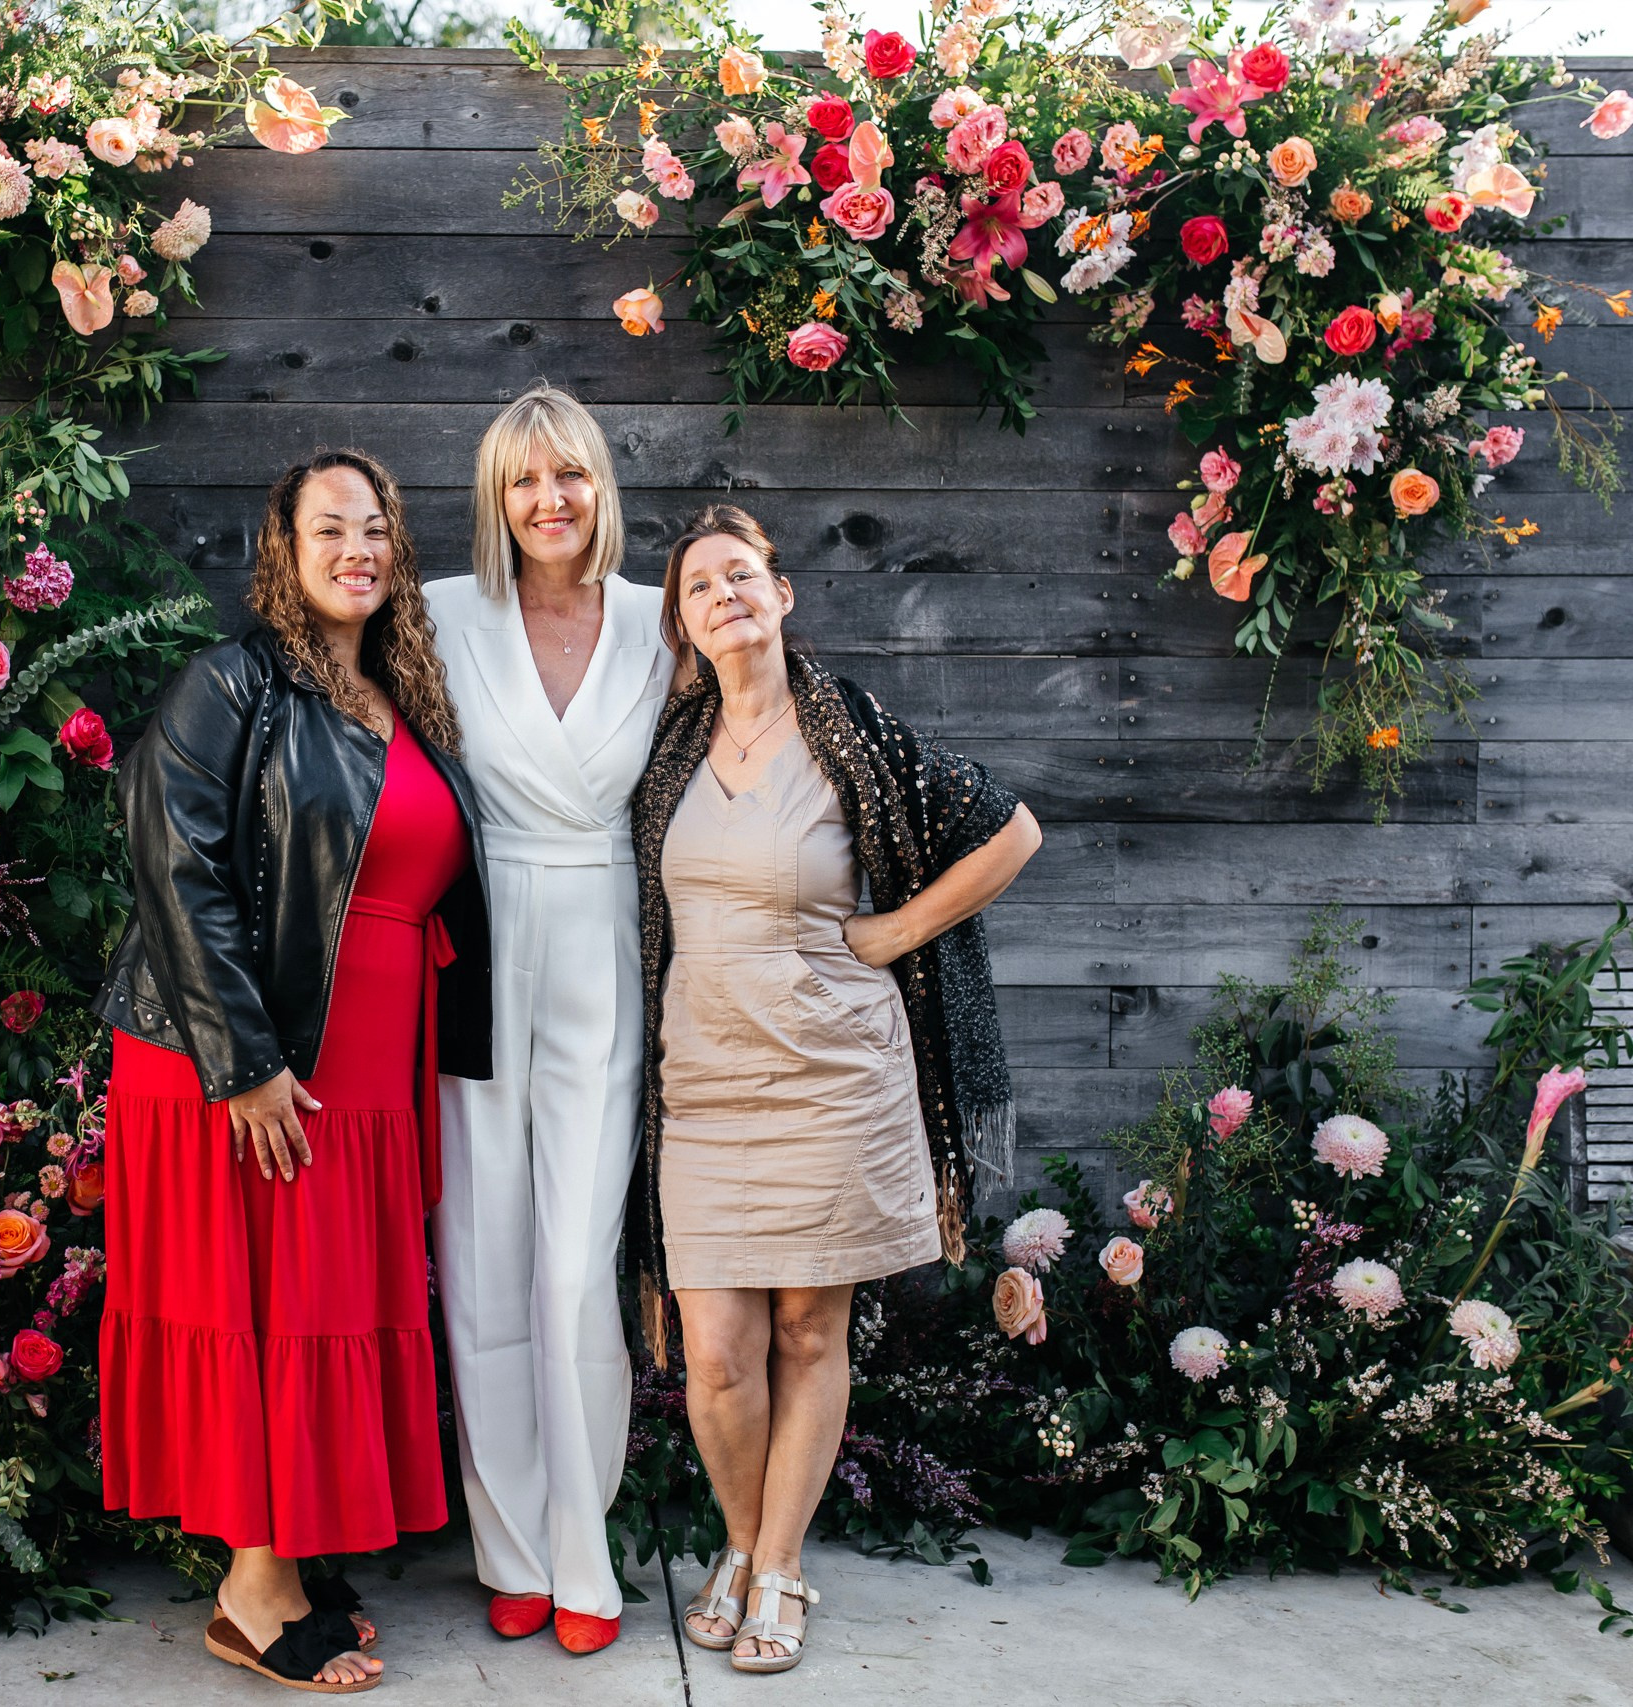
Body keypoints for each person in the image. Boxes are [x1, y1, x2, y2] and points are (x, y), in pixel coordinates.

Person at [93, 450, 491, 1694]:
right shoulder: (232, 684)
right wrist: (244, 1061)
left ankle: (292, 1553)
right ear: (283, 548)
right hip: (247, 1055)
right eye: (330, 529)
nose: (357, 549)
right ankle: (251, 1593)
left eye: (375, 528)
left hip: (367, 1060)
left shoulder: (396, 692)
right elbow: (174, 862)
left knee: (321, 1301)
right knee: (264, 1306)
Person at [627, 504, 1041, 1675]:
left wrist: (899, 929)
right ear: (683, 623)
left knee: (809, 1334)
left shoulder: (850, 729)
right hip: (702, 1085)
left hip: (831, 1073)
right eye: (702, 587)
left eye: (743, 575)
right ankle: (747, 1539)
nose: (727, 597)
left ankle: (775, 1566)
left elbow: (1011, 830)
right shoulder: (670, 752)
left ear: (783, 593)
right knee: (713, 1351)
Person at [424, 386, 677, 1654]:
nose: (548, 501)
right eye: (524, 481)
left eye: (569, 475)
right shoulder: (438, 615)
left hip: (601, 943)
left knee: (577, 1270)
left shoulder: (657, 620)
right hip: (475, 940)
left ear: (599, 488)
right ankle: (510, 1551)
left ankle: (587, 1558)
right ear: (495, 496)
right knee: (482, 1260)